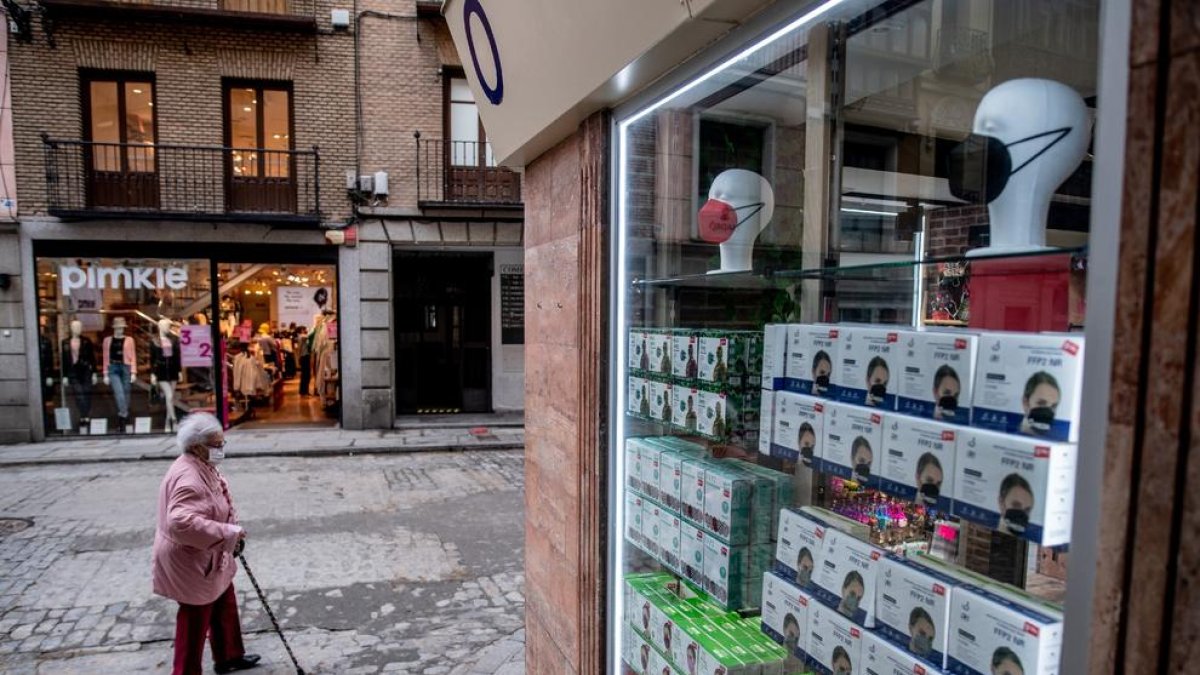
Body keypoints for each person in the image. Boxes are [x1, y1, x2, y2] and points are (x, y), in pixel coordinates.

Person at [152, 412, 260, 675]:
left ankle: (229, 656)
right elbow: (181, 522)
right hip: (193, 562)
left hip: (209, 557)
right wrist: (228, 534)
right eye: (217, 444)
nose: (222, 448)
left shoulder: (199, 464)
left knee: (224, 601)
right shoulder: (189, 477)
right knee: (194, 618)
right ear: (198, 446)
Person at [297, 326, 311, 396]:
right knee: (306, 374)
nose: (306, 330)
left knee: (305, 375)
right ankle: (304, 391)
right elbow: (308, 336)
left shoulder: (301, 337)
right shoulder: (301, 337)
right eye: (305, 329)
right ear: (302, 330)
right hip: (304, 356)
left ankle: (304, 390)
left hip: (304, 356)